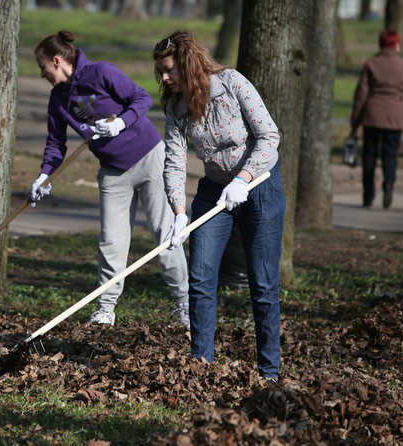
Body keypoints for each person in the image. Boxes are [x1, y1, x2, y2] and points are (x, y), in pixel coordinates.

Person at [31, 31, 190, 328]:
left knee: (165, 234)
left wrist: (120, 122)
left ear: (56, 61)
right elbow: (55, 144)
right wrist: (43, 175)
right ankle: (106, 309)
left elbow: (141, 98)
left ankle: (184, 304)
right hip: (113, 172)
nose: (42, 74)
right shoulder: (58, 99)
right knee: (111, 242)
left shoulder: (101, 72)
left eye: (43, 67)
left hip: (149, 158)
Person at [153, 31, 284, 384]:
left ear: (186, 63)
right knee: (200, 276)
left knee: (263, 283)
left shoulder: (232, 83)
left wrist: (243, 178)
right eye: (161, 72)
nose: (164, 78)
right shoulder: (176, 107)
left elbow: (270, 136)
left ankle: (269, 374)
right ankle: (201, 367)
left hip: (259, 185)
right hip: (214, 190)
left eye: (168, 70)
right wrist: (179, 212)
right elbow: (174, 162)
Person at [351, 29, 403, 209]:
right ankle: (389, 183)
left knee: (369, 157)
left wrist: (355, 122)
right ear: (397, 44)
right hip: (395, 118)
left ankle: (368, 196)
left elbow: (361, 95)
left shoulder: (371, 64)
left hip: (372, 116)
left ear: (380, 44)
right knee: (390, 154)